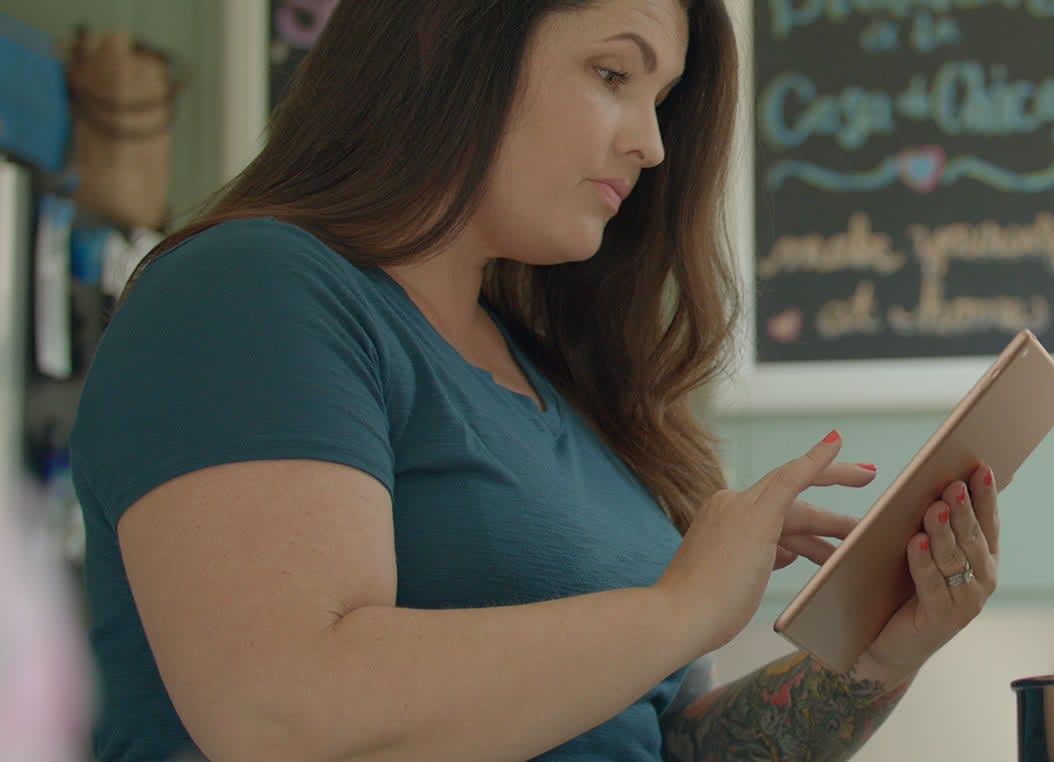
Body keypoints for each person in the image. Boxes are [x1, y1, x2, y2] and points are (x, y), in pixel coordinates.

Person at [68, 1, 1003, 760]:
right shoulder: (249, 291)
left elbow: (665, 746)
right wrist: (681, 608)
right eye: (612, 75)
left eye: (661, 98)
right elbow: (285, 713)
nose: (653, 143)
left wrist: (875, 657)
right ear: (450, 36)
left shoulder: (566, 383)